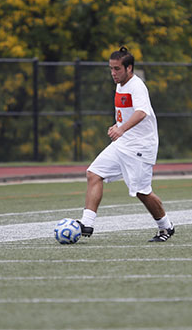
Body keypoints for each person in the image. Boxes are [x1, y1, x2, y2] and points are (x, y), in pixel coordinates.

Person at [77, 47, 175, 242]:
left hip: (140, 147)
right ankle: (87, 223)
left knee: (141, 191)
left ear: (129, 68)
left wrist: (121, 129)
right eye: (111, 69)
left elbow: (141, 112)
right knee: (93, 173)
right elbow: (128, 113)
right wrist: (119, 125)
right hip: (123, 144)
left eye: (117, 69)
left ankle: (166, 227)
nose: (113, 73)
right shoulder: (120, 84)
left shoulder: (136, 86)